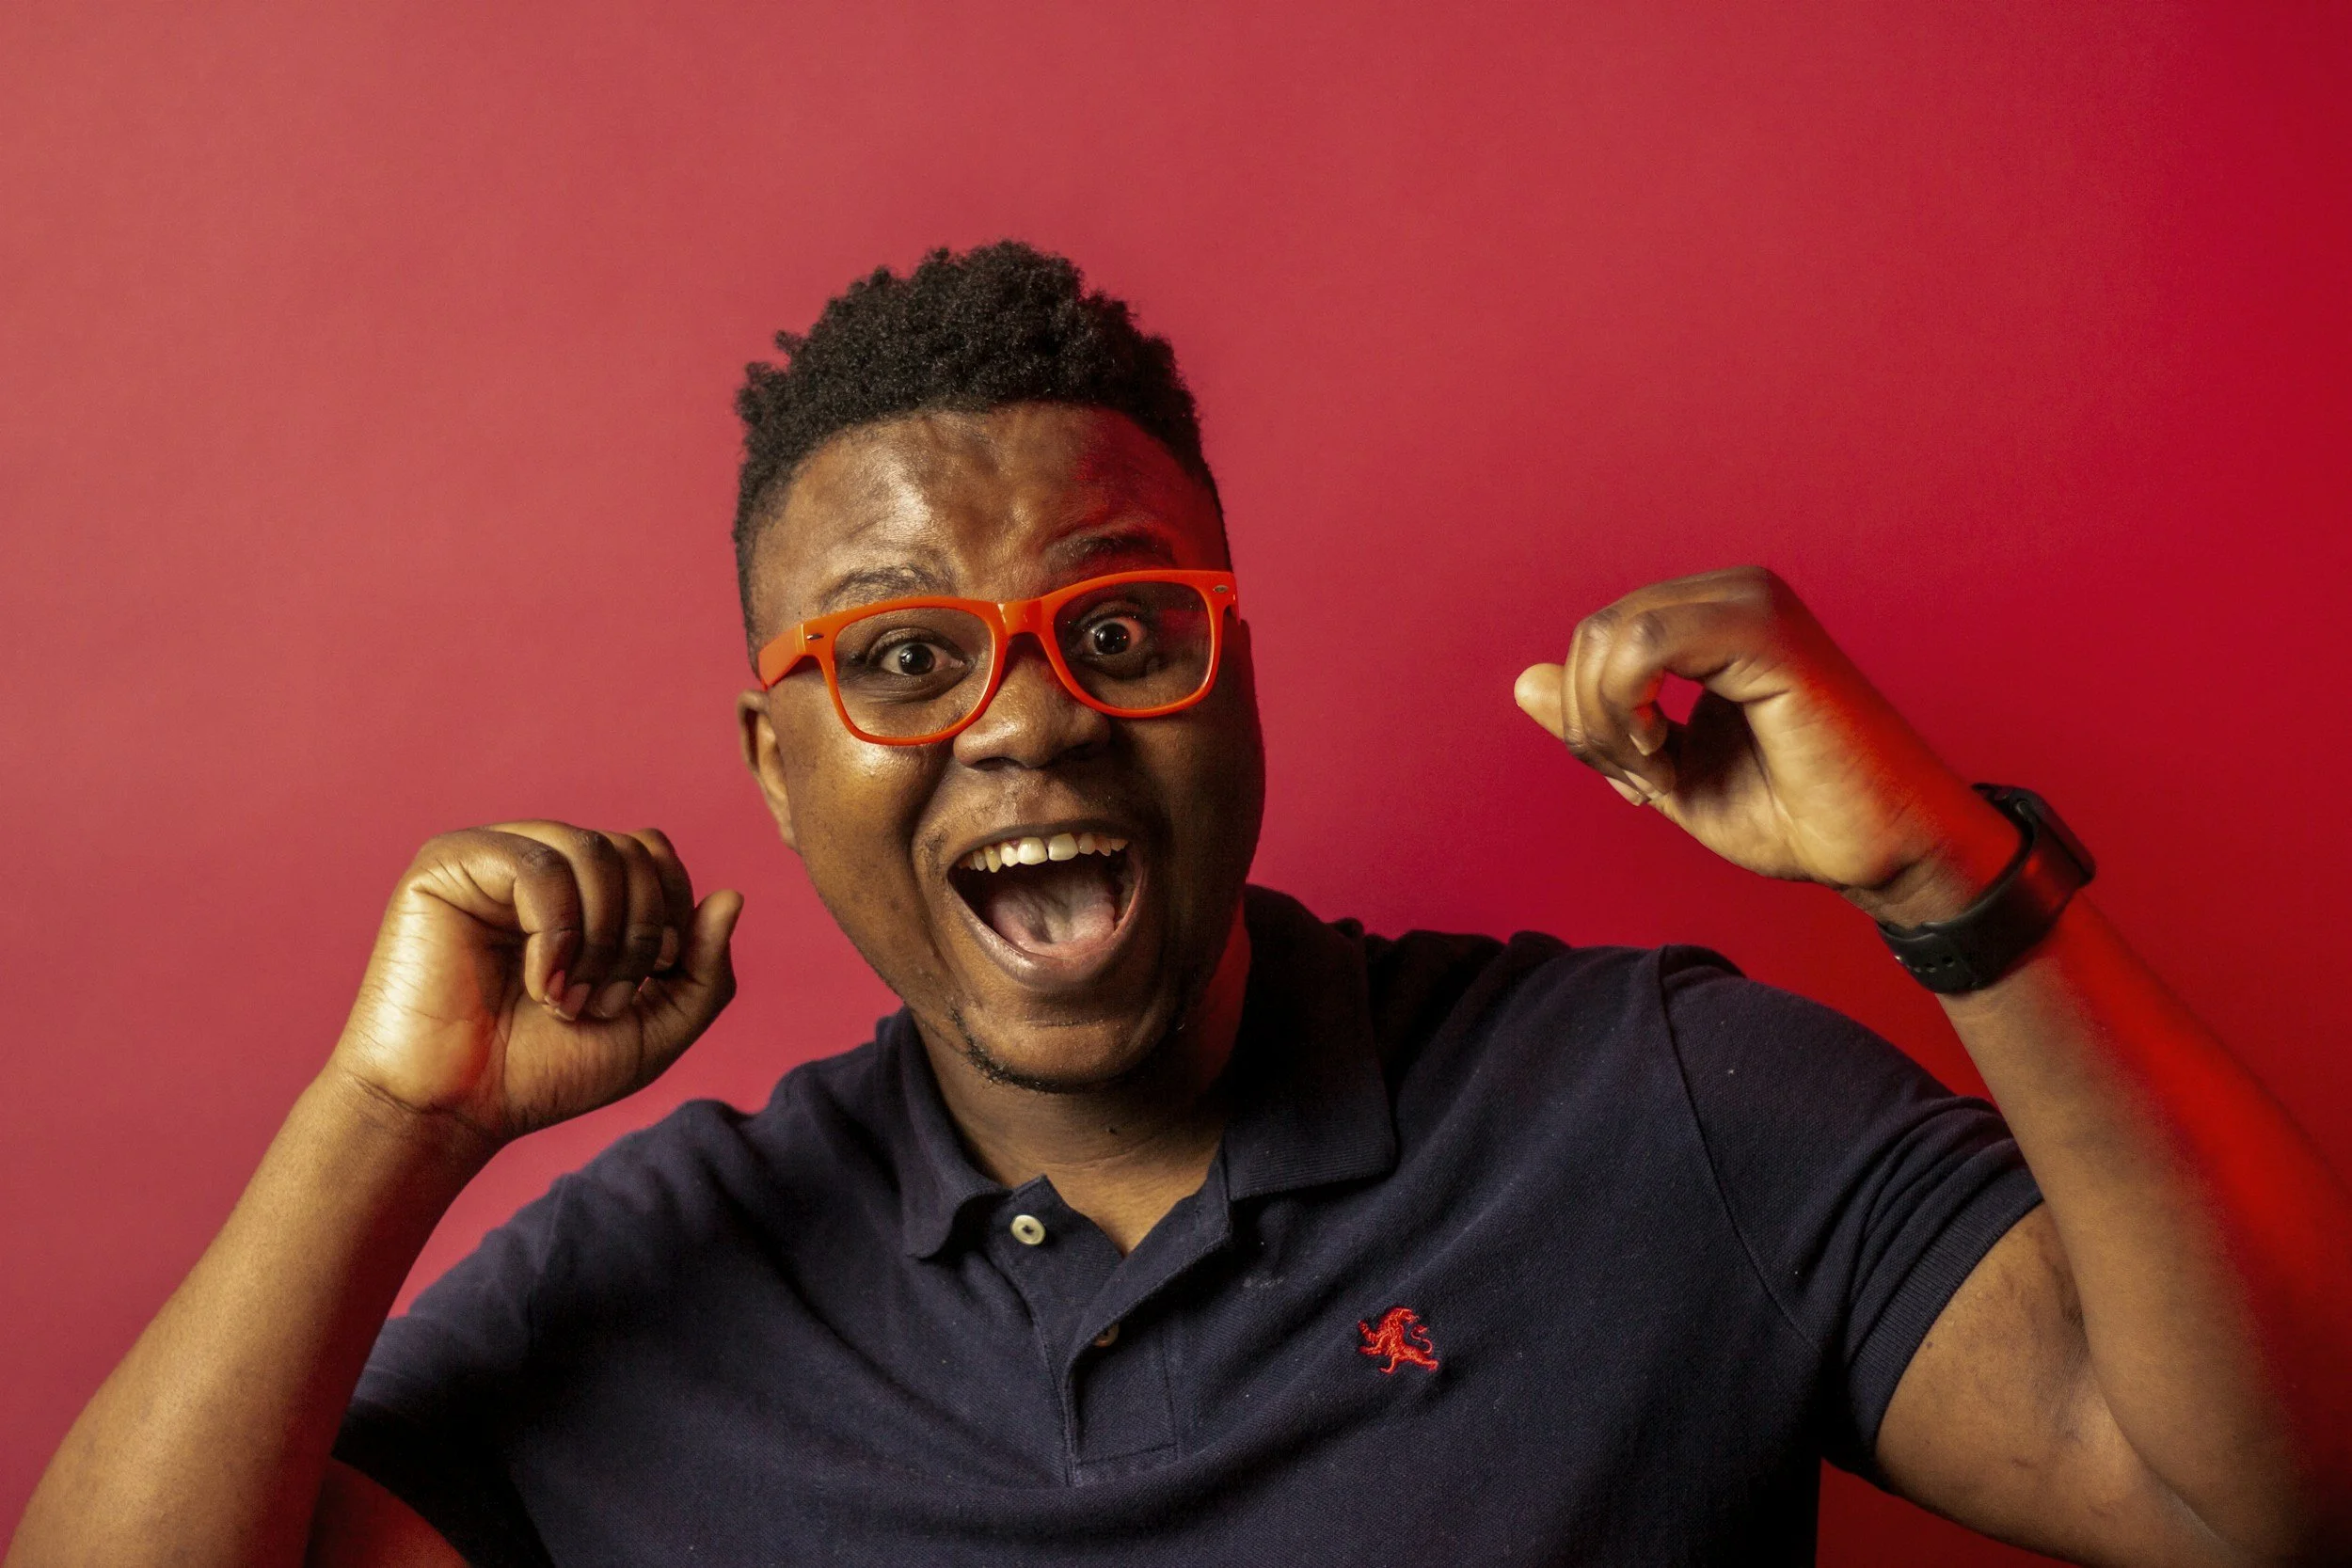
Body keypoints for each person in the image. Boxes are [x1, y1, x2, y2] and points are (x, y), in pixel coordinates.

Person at [10, 242, 2350, 1568]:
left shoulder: (1651, 1101)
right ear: (775, 766)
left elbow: (2258, 1489)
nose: (1027, 717)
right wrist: (389, 1119)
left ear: (1232, 673)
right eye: (899, 660)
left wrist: (1947, 875)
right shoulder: (667, 1271)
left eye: (1118, 624)